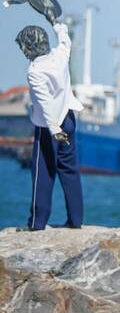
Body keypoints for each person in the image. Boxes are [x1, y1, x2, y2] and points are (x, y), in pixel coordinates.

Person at [19, 22, 84, 230]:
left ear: (29, 47)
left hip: (49, 128)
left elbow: (46, 102)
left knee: (43, 173)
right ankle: (75, 220)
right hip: (69, 119)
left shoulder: (35, 71)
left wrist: (54, 130)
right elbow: (66, 42)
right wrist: (58, 26)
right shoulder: (59, 56)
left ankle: (37, 224)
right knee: (70, 170)